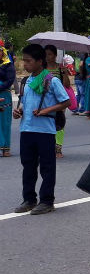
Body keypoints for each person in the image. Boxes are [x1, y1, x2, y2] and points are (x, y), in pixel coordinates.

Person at [12, 44, 70, 215]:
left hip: (45, 131)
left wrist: (46, 110)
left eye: (28, 61)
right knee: (28, 166)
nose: (25, 64)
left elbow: (66, 102)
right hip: (27, 129)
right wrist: (19, 111)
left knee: (47, 167)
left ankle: (47, 201)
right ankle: (29, 199)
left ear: (39, 61)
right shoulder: (26, 81)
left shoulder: (52, 80)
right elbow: (25, 102)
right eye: (24, 61)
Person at [44, 45, 71, 158]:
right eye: (45, 54)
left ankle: (58, 149)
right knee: (46, 124)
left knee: (59, 124)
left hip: (60, 102)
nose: (47, 56)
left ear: (55, 55)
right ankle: (47, 147)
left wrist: (64, 72)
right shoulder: (42, 69)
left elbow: (67, 85)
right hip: (46, 102)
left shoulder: (60, 68)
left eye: (49, 54)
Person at [0, 45, 16, 157]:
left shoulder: (8, 65)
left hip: (4, 94)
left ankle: (5, 148)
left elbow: (10, 80)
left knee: (5, 122)